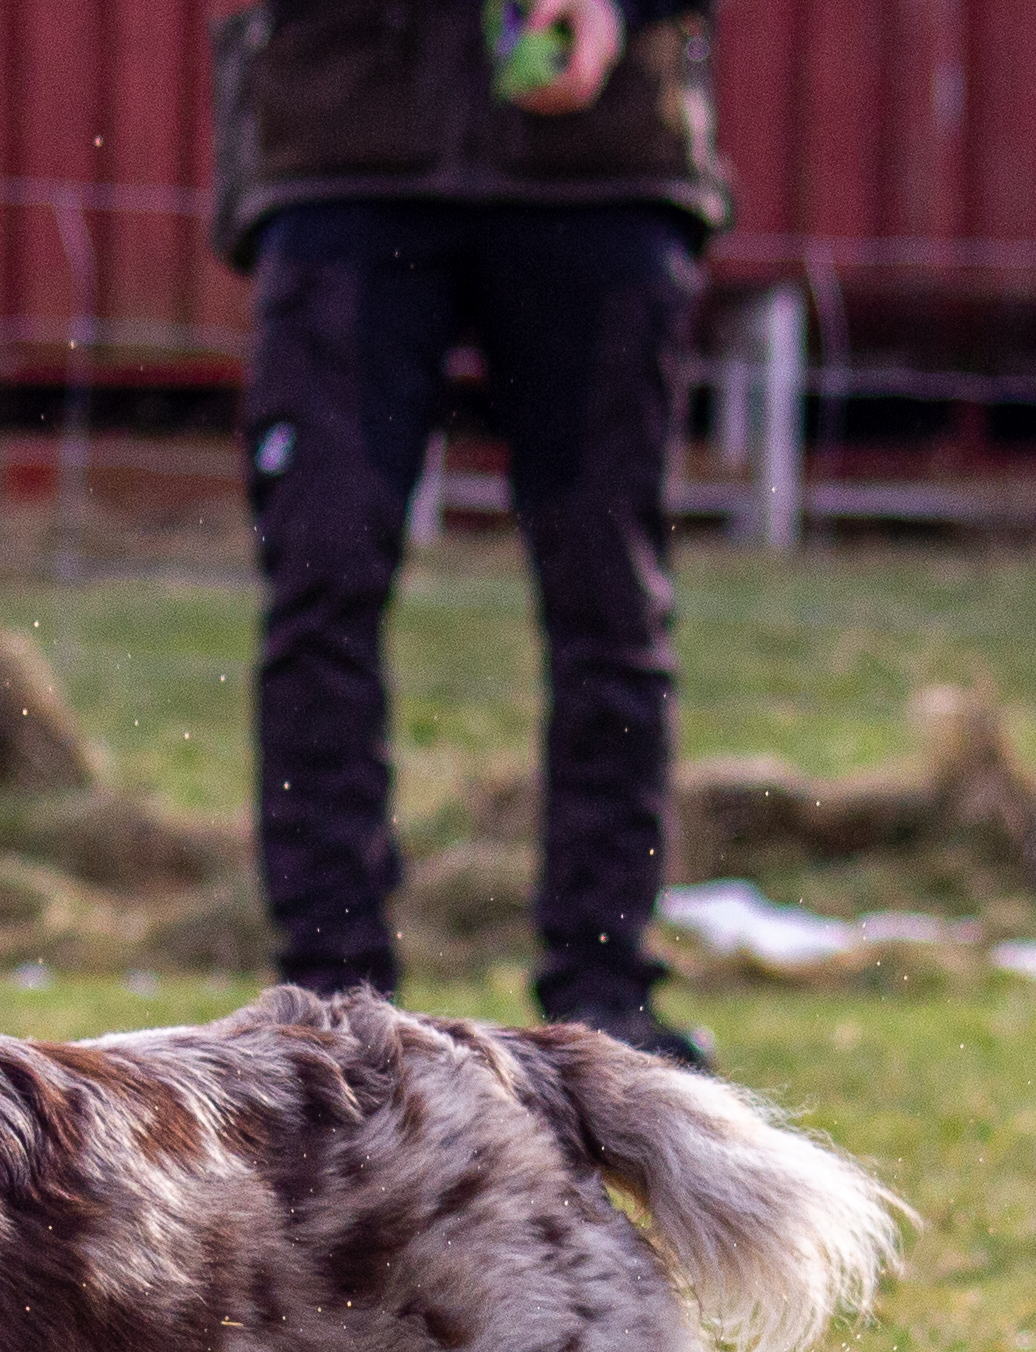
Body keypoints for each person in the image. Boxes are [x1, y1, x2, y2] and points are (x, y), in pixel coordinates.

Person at [214, 0, 726, 1062]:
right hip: (345, 151)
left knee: (609, 601)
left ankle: (605, 996)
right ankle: (331, 1007)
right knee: (322, 583)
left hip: (599, 169)